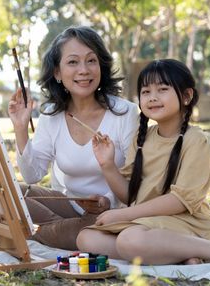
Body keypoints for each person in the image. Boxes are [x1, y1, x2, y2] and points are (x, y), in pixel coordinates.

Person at [77, 59, 210, 266]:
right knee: (86, 239)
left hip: (187, 222)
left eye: (162, 89)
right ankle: (178, 253)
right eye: (146, 91)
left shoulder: (196, 140)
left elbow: (179, 201)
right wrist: (108, 165)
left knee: (129, 240)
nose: (152, 97)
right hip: (148, 222)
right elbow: (130, 195)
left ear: (186, 96)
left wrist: (123, 214)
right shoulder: (141, 139)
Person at [8, 26, 138, 250]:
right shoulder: (52, 114)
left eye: (91, 61)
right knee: (8, 192)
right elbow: (32, 176)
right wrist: (21, 129)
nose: (84, 70)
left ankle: (46, 233)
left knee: (52, 229)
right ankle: (58, 230)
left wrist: (107, 200)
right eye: (73, 62)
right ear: (57, 73)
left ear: (101, 66)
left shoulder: (125, 113)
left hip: (112, 212)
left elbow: (136, 182)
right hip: (68, 205)